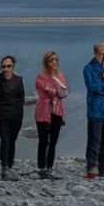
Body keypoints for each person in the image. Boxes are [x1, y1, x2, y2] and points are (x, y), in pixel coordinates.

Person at [35, 50, 70, 179]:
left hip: (57, 111)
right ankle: (41, 168)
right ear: (46, 63)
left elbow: (65, 92)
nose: (54, 62)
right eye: (51, 60)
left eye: (55, 60)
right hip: (43, 111)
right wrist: (58, 89)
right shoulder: (41, 77)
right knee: (44, 141)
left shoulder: (61, 76)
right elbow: (49, 91)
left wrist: (58, 89)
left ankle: (49, 168)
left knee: (53, 141)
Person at [83, 45, 104, 178]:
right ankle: (91, 166)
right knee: (94, 139)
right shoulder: (89, 68)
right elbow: (92, 87)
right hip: (95, 110)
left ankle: (103, 167)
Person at [0, 55, 25, 180]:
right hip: (2, 114)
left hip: (16, 115)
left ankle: (9, 166)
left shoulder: (19, 79)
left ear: (13, 66)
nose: (6, 69)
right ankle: (4, 167)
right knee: (5, 139)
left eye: (9, 66)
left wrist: (20, 115)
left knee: (12, 140)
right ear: (1, 67)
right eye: (4, 66)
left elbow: (21, 98)